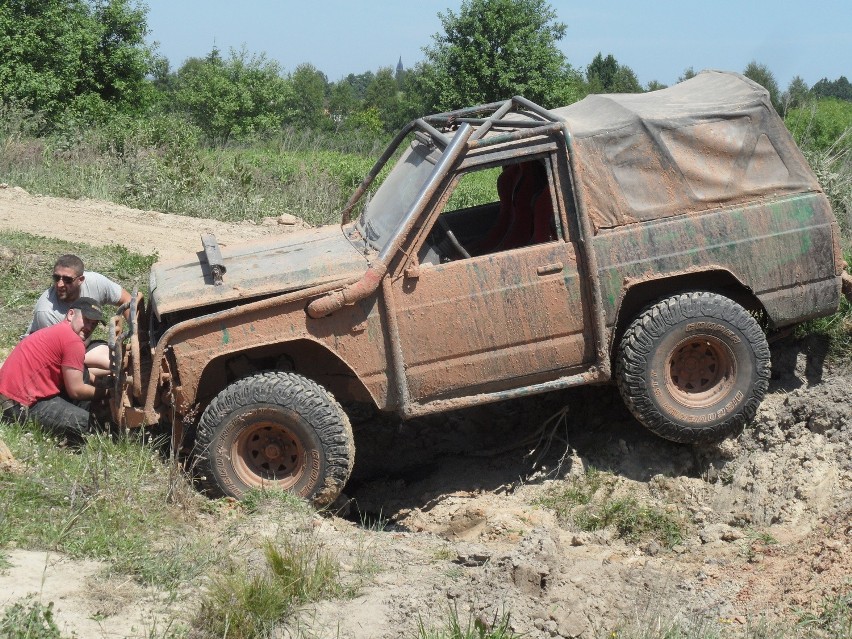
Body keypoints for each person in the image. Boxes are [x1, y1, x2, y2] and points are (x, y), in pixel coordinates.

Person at [0, 298, 111, 443]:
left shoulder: (58, 331)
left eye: (94, 324)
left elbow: (81, 376)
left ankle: (89, 414)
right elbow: (76, 390)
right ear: (71, 314)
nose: (89, 327)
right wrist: (108, 394)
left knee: (81, 371)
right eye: (86, 320)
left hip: (10, 397)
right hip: (18, 407)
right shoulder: (72, 341)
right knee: (84, 424)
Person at [27, 254, 131, 376]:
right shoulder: (47, 312)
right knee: (117, 364)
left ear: (81, 280)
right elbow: (62, 355)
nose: (60, 284)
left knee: (123, 360)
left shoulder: (95, 283)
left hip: (79, 346)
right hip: (48, 358)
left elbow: (126, 300)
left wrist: (139, 333)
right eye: (56, 278)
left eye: (67, 280)